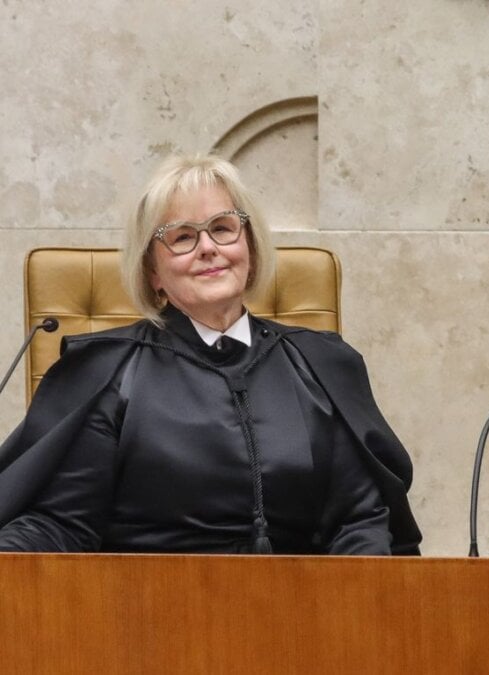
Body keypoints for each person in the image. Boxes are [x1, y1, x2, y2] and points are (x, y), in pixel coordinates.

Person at [0, 154, 421, 555]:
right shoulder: (112, 372)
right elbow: (62, 525)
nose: (207, 247)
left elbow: (359, 521)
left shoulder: (318, 365)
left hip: (299, 616)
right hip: (150, 616)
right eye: (182, 237)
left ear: (250, 249)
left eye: (222, 228)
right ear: (152, 272)